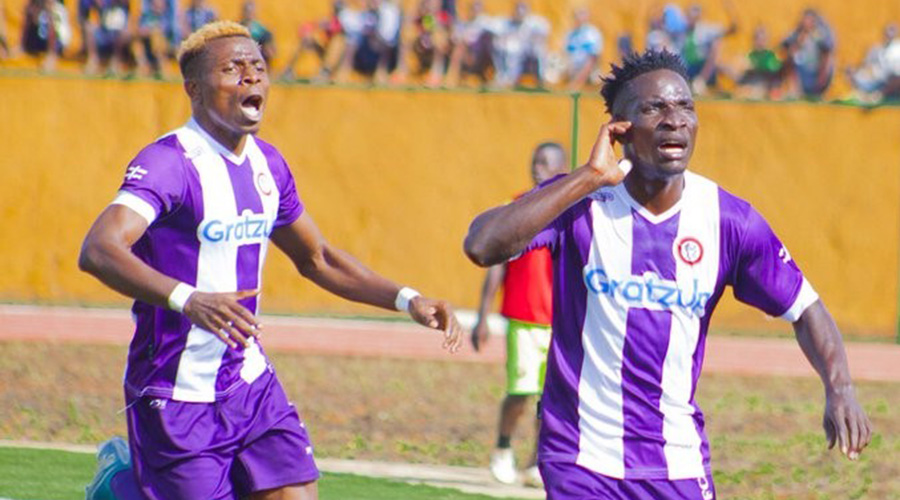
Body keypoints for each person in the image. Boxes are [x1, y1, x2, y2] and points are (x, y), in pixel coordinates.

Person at [78, 20, 463, 500]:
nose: (251, 77)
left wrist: (408, 300)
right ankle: (122, 484)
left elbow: (317, 258)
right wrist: (189, 299)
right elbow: (99, 249)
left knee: (296, 494)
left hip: (248, 381)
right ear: (193, 88)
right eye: (232, 69)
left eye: (257, 67)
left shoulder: (269, 165)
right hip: (177, 390)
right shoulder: (170, 162)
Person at [463, 49, 872, 499]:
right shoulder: (579, 203)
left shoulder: (728, 220)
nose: (674, 119)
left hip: (677, 462)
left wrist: (841, 388)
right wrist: (588, 177)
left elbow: (804, 306)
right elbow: (483, 245)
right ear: (620, 129)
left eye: (685, 106)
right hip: (580, 459)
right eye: (654, 108)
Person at [471, 142, 568, 488]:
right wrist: (482, 315)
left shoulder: (571, 212)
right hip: (524, 317)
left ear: (563, 169)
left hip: (559, 322)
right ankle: (502, 448)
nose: (537, 168)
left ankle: (537, 461)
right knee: (521, 390)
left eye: (546, 163)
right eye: (534, 161)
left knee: (550, 397)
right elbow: (496, 264)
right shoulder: (517, 208)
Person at [781, 8, 835, 99]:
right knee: (789, 58)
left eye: (809, 19)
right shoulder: (797, 34)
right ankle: (795, 91)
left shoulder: (818, 35)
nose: (805, 22)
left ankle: (819, 91)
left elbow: (827, 50)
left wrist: (822, 74)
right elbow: (785, 45)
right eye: (804, 19)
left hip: (815, 72)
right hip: (801, 71)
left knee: (829, 60)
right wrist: (799, 41)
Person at [844, 23, 900, 103]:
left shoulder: (898, 47)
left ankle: (878, 96)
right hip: (882, 81)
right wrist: (854, 71)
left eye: (892, 30)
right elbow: (864, 65)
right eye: (888, 31)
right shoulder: (876, 50)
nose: (889, 34)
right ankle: (875, 95)